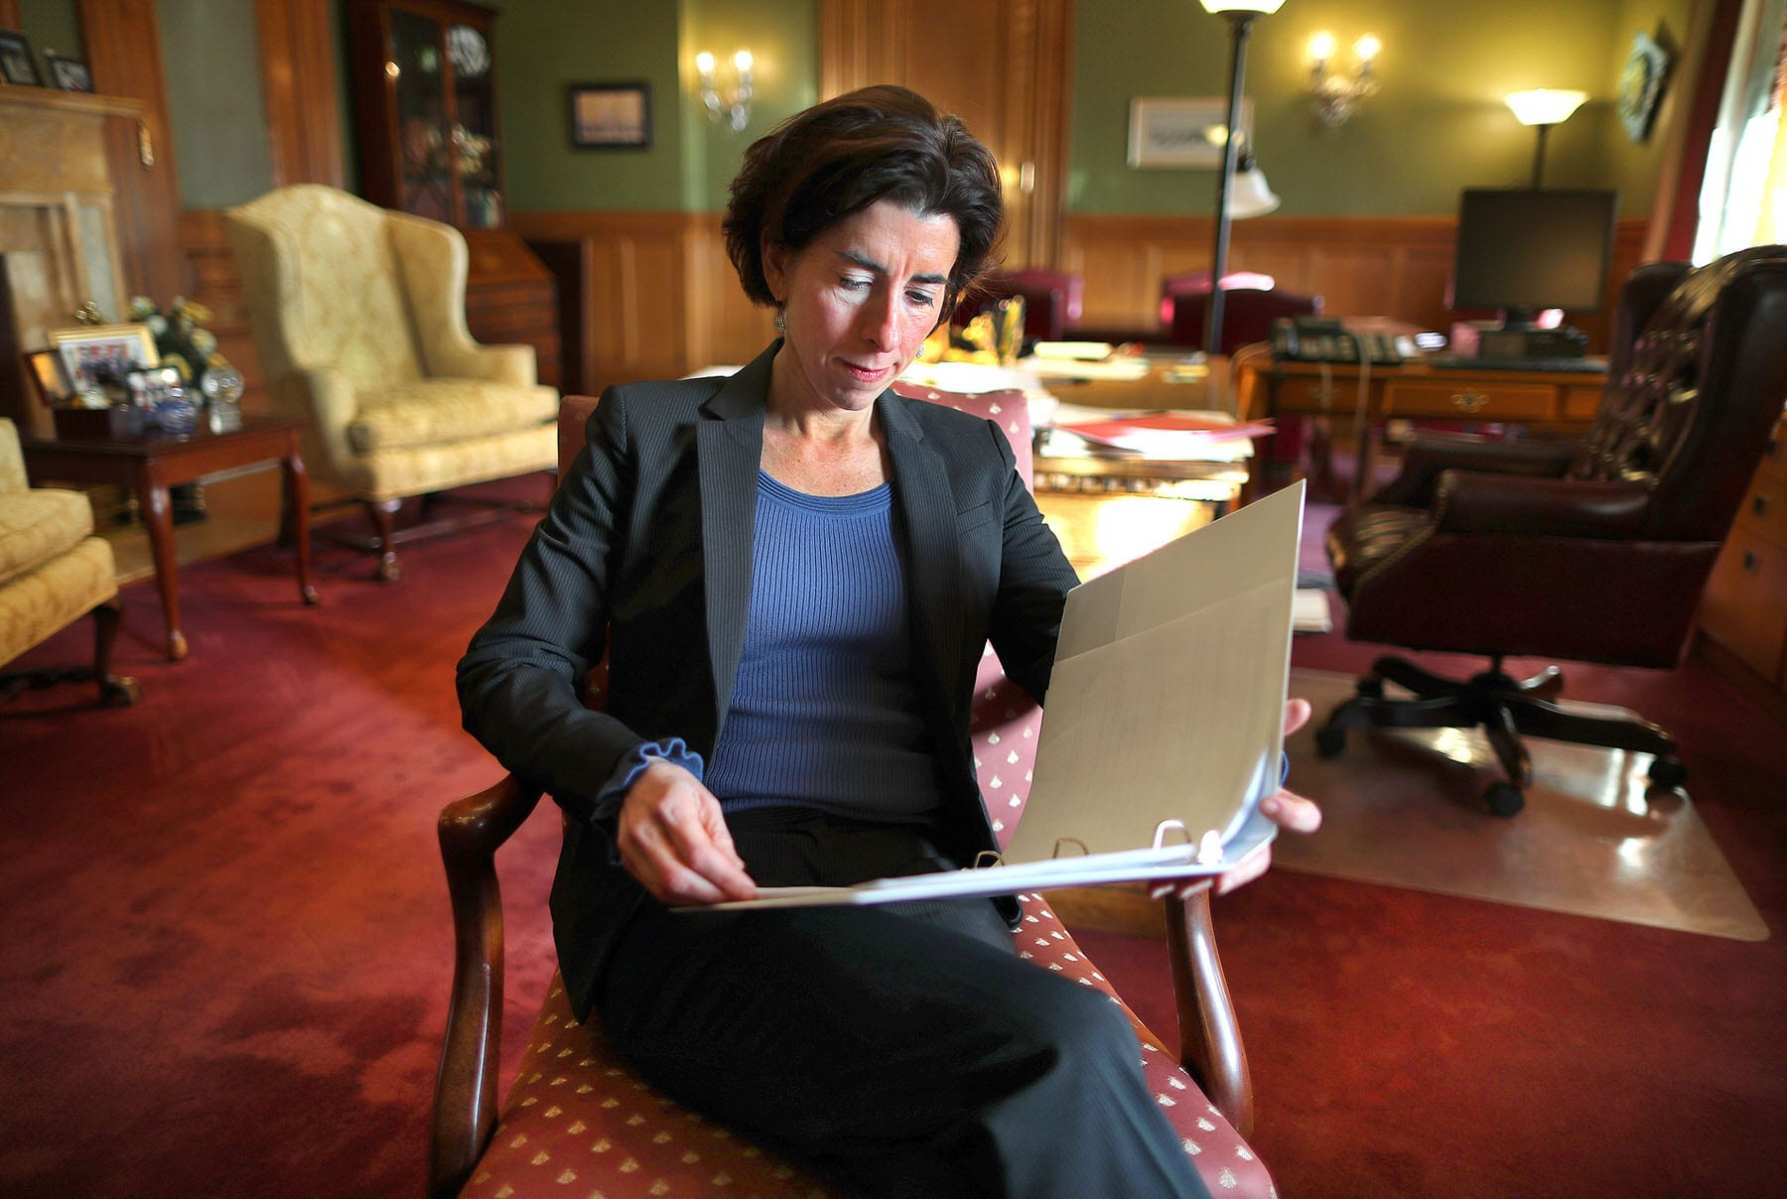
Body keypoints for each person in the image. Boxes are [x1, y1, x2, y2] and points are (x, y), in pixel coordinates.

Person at [457, 85, 1319, 1199]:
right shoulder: (650, 434)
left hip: (916, 883)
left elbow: (1082, 652)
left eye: (921, 292)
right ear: (776, 261)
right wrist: (629, 775)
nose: (886, 334)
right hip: (699, 891)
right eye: (853, 277)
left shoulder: (966, 462)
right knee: (1062, 1050)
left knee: (1002, 1096)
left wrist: (1229, 754)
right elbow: (507, 662)